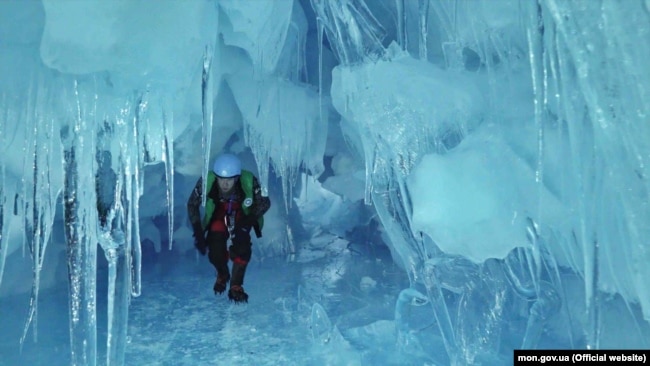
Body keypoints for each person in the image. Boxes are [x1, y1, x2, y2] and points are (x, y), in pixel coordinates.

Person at [187, 153, 271, 303]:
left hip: (241, 214)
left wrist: (249, 221)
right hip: (218, 212)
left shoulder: (249, 180)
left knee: (242, 245)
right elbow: (192, 203)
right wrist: (198, 230)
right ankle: (222, 274)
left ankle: (236, 285)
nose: (224, 184)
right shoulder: (206, 181)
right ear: (216, 176)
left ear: (237, 178)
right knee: (215, 246)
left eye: (229, 180)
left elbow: (265, 202)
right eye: (221, 179)